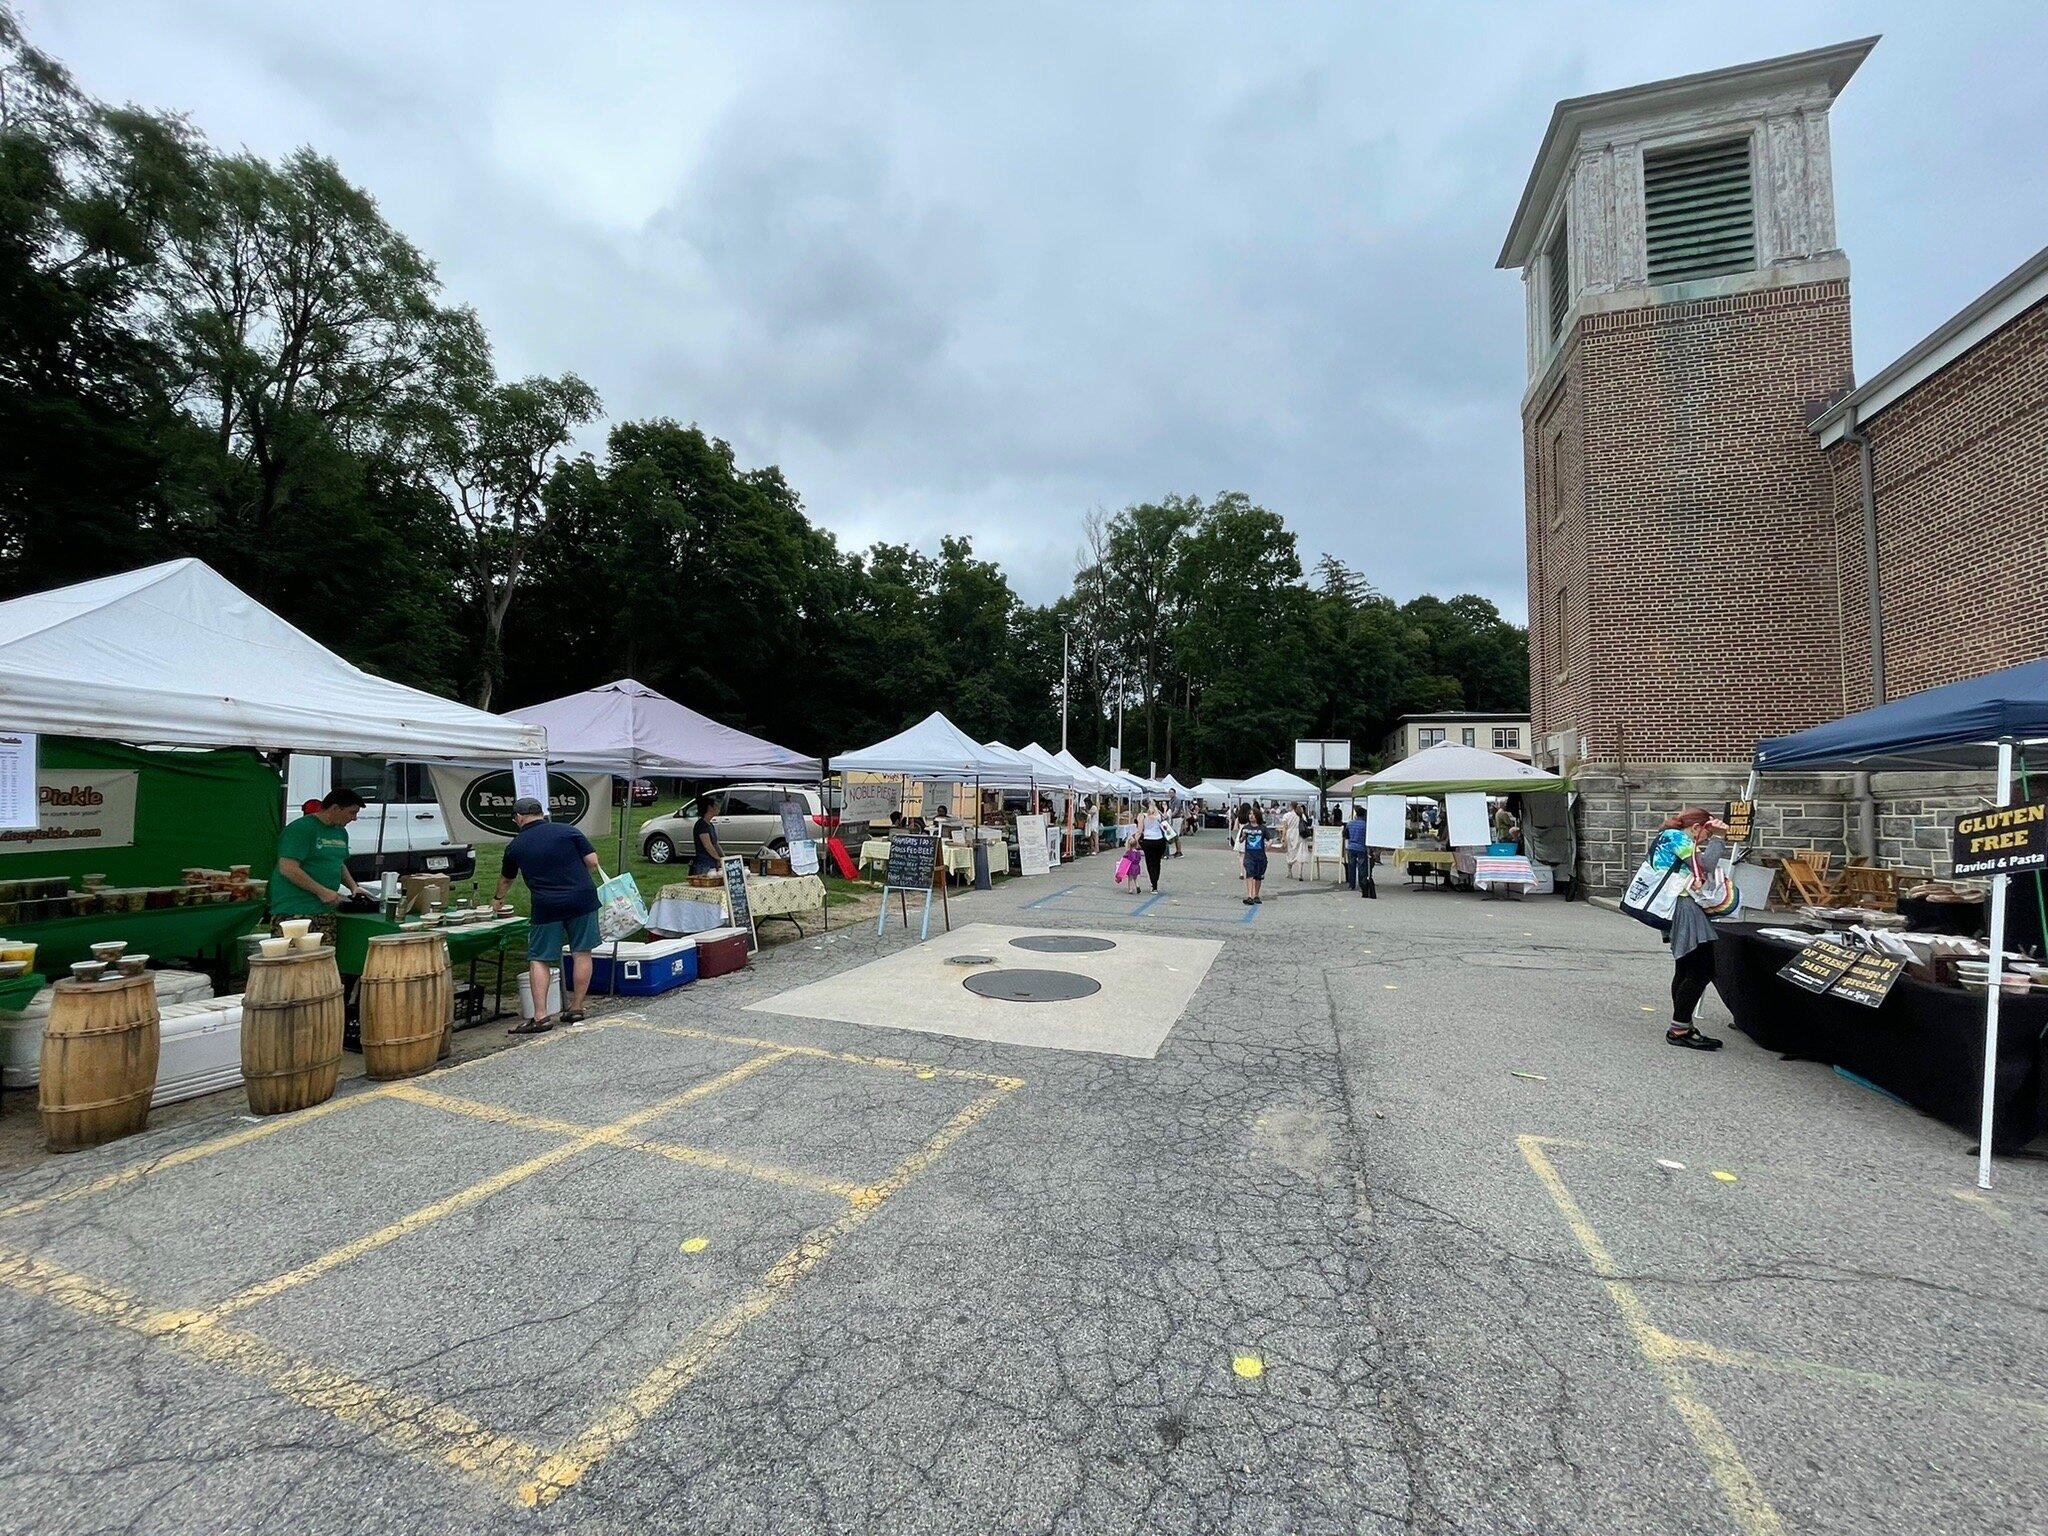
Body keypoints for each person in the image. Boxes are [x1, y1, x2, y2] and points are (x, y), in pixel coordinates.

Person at [492, 797, 602, 1035]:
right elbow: (592, 862)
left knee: (540, 958)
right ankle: (576, 1007)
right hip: (582, 898)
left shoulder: (515, 845)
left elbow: (507, 879)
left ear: (519, 818)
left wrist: (498, 899)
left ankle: (541, 1016)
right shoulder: (569, 831)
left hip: (546, 905)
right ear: (542, 813)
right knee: (582, 952)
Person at [1661, 808, 1731, 1051]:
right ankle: (1679, 1029)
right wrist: (1720, 838)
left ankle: (1682, 1024)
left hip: (1676, 907)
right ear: (1695, 828)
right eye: (1706, 833)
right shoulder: (1679, 839)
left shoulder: (1670, 837)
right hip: (1685, 908)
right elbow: (1705, 866)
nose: (1706, 839)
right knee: (1701, 969)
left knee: (1686, 967)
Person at [270, 787, 369, 941]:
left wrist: (354, 887)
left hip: (325, 912)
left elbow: (338, 863)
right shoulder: (300, 829)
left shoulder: (340, 832)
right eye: (352, 812)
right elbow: (288, 868)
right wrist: (321, 891)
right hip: (294, 911)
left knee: (323, 960)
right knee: (293, 961)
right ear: (335, 808)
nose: (354, 818)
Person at [1138, 800, 1169, 893]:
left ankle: (1153, 884)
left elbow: (1140, 830)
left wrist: (1135, 841)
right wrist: (1165, 809)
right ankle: (1155, 882)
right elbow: (1166, 820)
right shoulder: (1159, 814)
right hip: (1159, 840)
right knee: (1157, 862)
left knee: (1150, 863)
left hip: (1148, 840)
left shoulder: (1142, 815)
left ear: (1143, 806)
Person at [1240, 803, 1268, 905]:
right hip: (1249, 856)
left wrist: (1269, 844)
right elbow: (1240, 840)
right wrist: (1243, 836)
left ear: (1258, 816)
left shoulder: (1263, 828)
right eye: (1250, 814)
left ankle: (1256, 895)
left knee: (1258, 877)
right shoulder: (1246, 828)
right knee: (1249, 875)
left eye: (1253, 814)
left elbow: (1269, 839)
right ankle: (1250, 896)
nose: (1251, 816)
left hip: (1260, 856)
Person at [689, 796, 723, 876]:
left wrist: (723, 857)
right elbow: (708, 845)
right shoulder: (701, 825)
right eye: (716, 805)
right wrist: (718, 858)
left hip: (712, 864)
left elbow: (715, 843)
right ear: (710, 807)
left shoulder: (710, 825)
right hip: (704, 865)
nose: (719, 807)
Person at [1344, 803, 1371, 894]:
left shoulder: (1349, 823)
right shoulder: (1366, 825)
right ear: (1364, 815)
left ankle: (1351, 884)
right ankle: (1362, 885)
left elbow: (1346, 835)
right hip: (1361, 848)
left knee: (1351, 866)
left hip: (1351, 847)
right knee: (1361, 867)